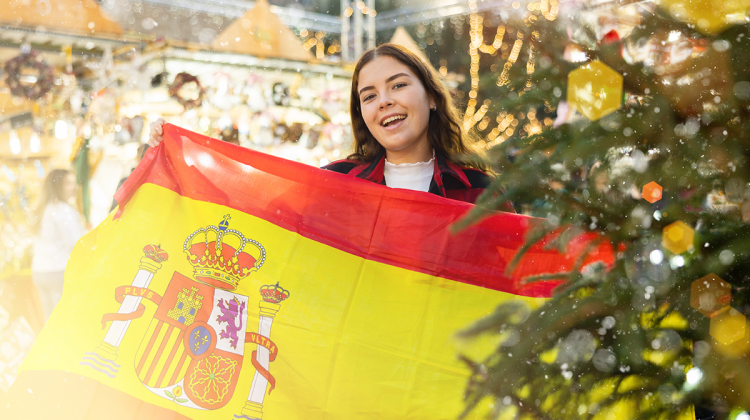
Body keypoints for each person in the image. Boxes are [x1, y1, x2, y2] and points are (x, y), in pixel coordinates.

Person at [149, 44, 513, 208]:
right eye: (369, 96)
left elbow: (512, 287)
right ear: (362, 114)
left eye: (398, 85)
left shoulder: (480, 191)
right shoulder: (335, 185)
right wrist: (174, 161)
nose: (384, 101)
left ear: (432, 97)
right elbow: (255, 214)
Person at [31, 169, 86, 321]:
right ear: (57, 186)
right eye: (68, 183)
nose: (74, 187)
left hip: (40, 271)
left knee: (50, 320)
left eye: (73, 182)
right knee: (64, 319)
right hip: (59, 271)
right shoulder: (63, 210)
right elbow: (77, 243)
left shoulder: (41, 209)